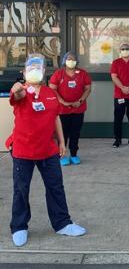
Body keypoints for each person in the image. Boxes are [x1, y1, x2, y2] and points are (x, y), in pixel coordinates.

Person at [5, 54, 86, 247]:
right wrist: (17, 89)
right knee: (21, 190)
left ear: (43, 72)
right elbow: (18, 97)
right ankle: (19, 226)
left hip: (48, 150)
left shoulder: (50, 93)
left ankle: (62, 223)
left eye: (38, 68)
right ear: (24, 73)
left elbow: (56, 117)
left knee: (56, 187)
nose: (35, 71)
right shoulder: (21, 91)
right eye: (30, 68)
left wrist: (61, 142)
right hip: (23, 150)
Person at [49, 52, 91, 166]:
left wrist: (80, 101)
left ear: (77, 61)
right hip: (63, 110)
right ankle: (61, 155)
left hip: (78, 109)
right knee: (62, 134)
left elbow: (87, 89)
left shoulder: (82, 74)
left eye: (73, 59)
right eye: (68, 58)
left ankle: (73, 154)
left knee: (75, 133)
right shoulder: (58, 74)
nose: (71, 61)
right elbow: (52, 89)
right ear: (64, 60)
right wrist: (63, 102)